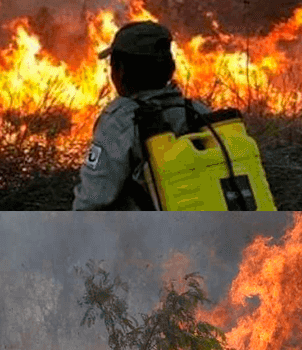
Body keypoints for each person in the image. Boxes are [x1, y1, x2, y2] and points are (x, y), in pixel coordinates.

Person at [73, 21, 211, 210]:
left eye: (112, 64)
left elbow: (94, 197)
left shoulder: (119, 121)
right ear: (169, 68)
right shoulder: (198, 111)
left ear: (120, 70)